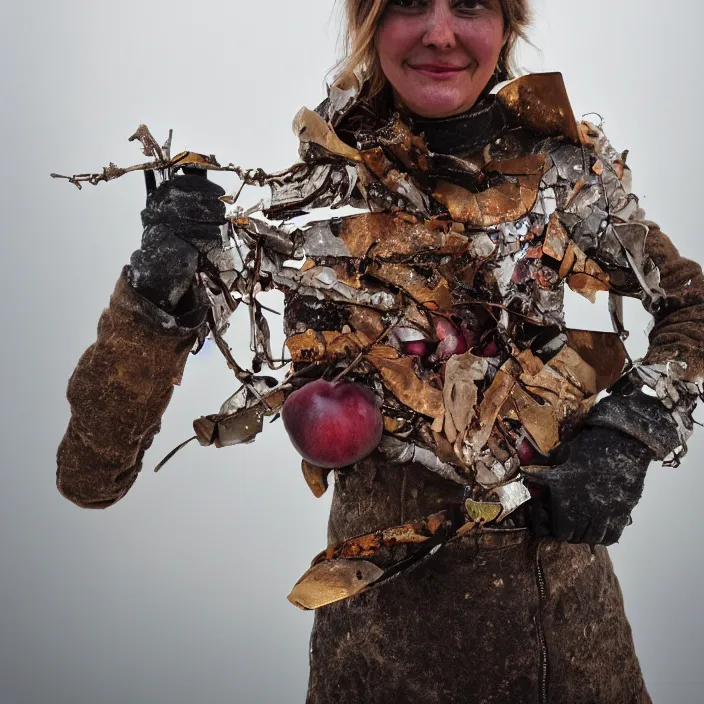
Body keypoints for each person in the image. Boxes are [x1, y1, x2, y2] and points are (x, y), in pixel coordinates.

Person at [56, 0, 704, 701]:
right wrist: (154, 290)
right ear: (368, 23)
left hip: (576, 662)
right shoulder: (315, 211)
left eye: (470, 5)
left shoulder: (568, 179)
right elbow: (91, 477)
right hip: (376, 667)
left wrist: (631, 429)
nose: (439, 32)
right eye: (405, 4)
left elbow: (691, 307)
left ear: (509, 23)